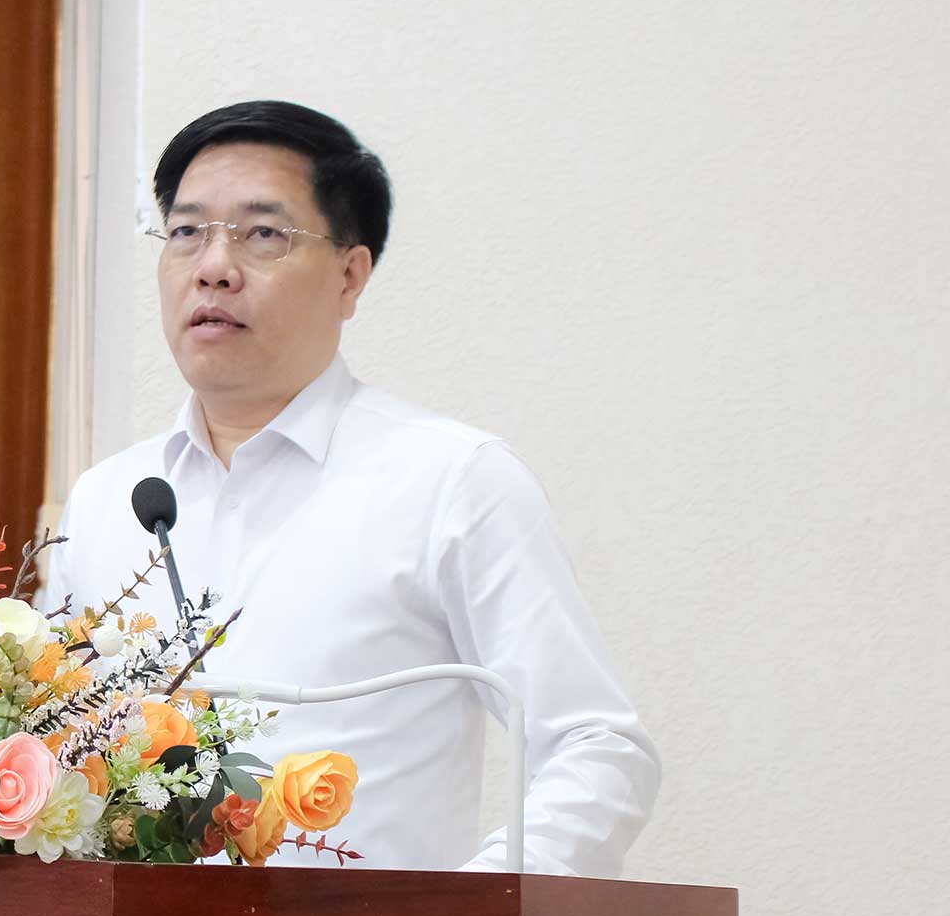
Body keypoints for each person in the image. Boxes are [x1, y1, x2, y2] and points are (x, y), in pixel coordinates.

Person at [40, 101, 658, 876]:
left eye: (263, 233)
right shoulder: (109, 501)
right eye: (187, 231)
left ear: (348, 275)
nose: (214, 265)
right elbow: (54, 755)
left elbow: (598, 747)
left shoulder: (451, 482)